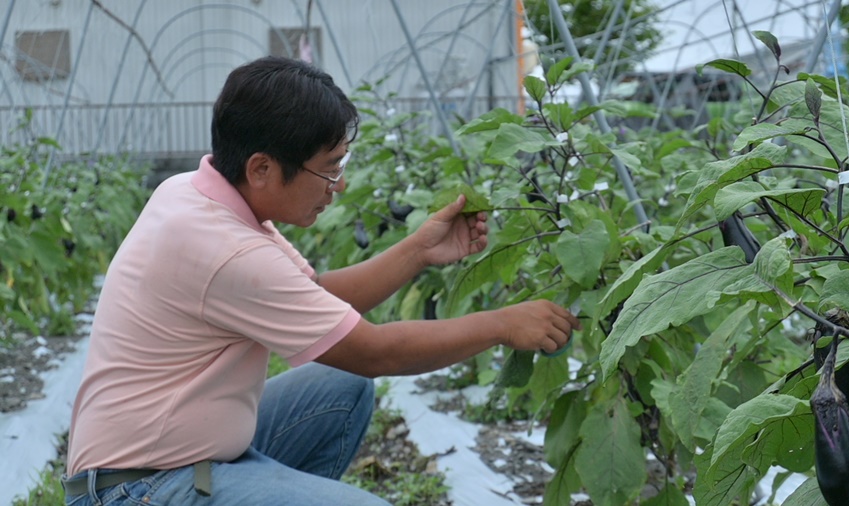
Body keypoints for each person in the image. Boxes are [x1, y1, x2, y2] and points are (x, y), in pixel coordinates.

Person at [62, 56, 580, 506]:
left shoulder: (200, 193)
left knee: (341, 388)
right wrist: (502, 324)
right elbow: (375, 351)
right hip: (135, 488)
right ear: (262, 168)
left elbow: (317, 297)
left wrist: (419, 249)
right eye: (328, 169)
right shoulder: (228, 251)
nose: (339, 185)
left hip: (179, 456)